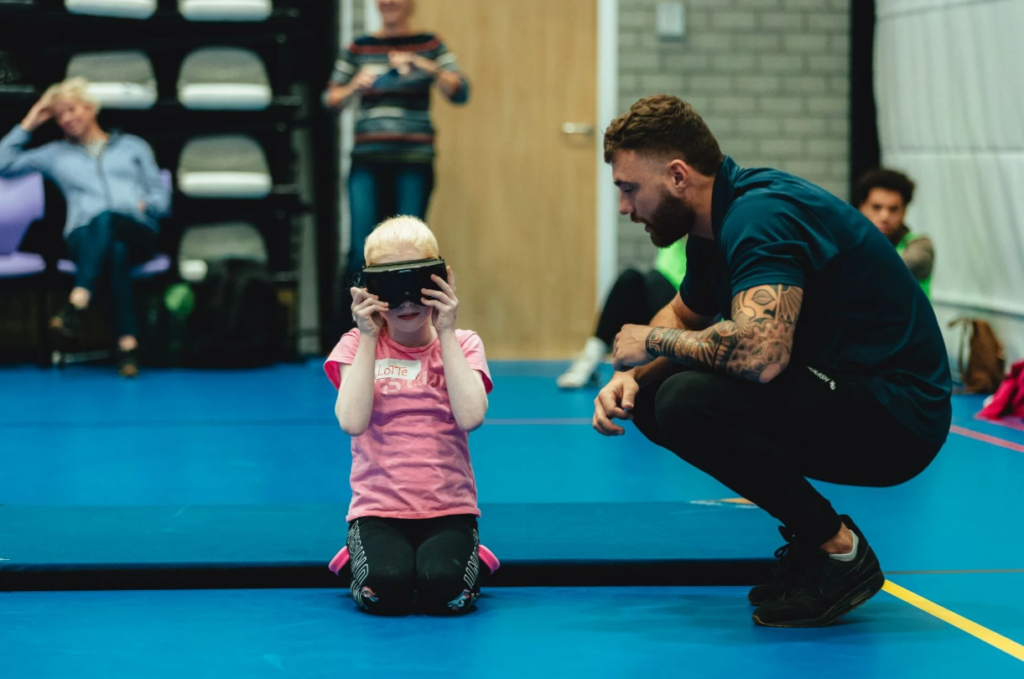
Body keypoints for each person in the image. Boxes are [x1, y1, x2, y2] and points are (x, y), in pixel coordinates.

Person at [592, 95, 951, 628]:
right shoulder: (712, 226)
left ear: (677, 176)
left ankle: (839, 551)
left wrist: (653, 341)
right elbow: (686, 314)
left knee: (688, 398)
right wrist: (629, 379)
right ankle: (816, 540)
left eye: (629, 188)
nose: (625, 207)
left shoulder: (760, 217)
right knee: (651, 396)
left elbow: (761, 356)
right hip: (846, 392)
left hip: (900, 415)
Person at [324, 216, 492, 615]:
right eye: (389, 289)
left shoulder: (464, 343)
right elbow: (351, 422)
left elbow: (471, 417)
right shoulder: (355, 346)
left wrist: (446, 331)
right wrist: (368, 336)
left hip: (449, 509)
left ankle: (469, 553)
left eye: (417, 286)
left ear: (442, 281)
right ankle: (359, 554)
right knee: (384, 591)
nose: (406, 303)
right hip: (378, 510)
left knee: (446, 593)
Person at [0, 78, 170, 377]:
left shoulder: (133, 146)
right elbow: (3, 163)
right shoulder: (54, 154)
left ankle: (79, 300)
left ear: (90, 108)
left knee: (110, 220)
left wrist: (146, 206)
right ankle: (127, 347)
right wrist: (30, 121)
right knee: (115, 251)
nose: (66, 119)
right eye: (58, 115)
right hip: (83, 236)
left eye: (71, 110)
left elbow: (162, 199)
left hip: (137, 229)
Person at [324, 0, 470, 285]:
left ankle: (410, 313)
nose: (389, 2)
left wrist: (424, 66)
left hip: (413, 161)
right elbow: (329, 100)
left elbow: (460, 91)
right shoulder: (359, 47)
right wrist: (353, 86)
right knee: (360, 251)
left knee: (411, 251)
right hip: (367, 161)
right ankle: (358, 315)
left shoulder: (429, 44)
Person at [558, 237, 687, 388]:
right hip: (661, 318)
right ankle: (592, 354)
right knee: (629, 277)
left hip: (687, 318)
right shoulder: (674, 240)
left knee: (655, 279)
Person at [855, 168, 934, 297]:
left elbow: (906, 265)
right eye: (876, 207)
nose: (884, 216)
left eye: (893, 209)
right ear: (862, 207)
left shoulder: (918, 245)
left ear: (904, 211)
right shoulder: (854, 244)